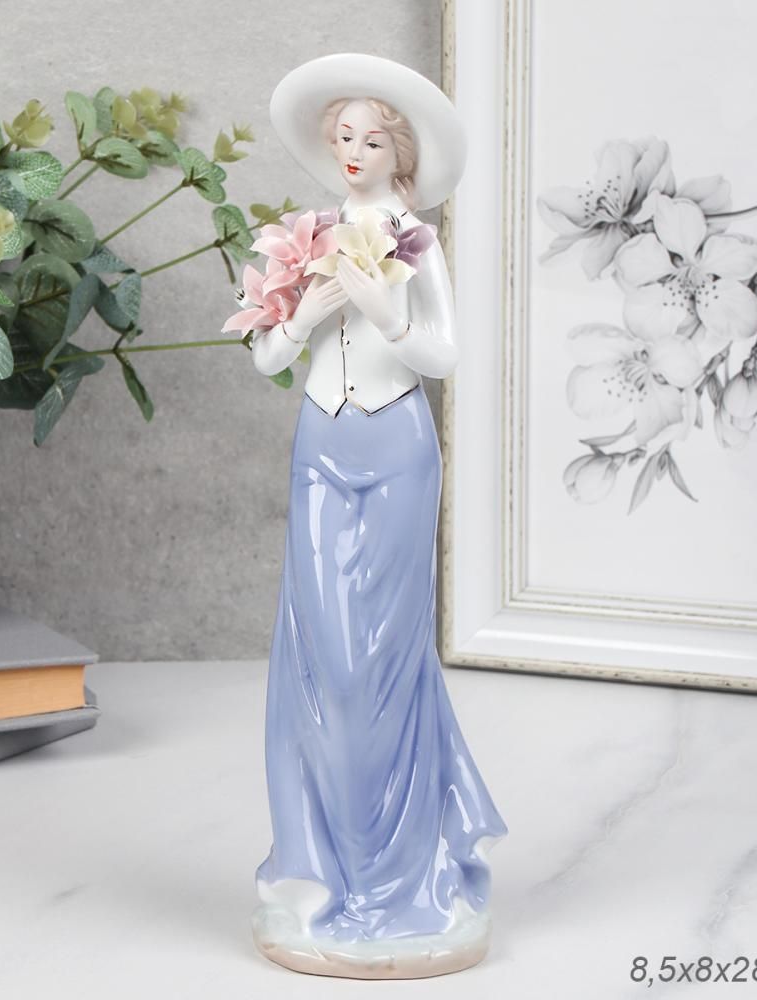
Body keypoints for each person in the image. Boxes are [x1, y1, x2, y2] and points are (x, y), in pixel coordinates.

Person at [248, 53, 508, 980]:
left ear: (400, 152)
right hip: (321, 447)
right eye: (342, 136)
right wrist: (307, 308)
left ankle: (402, 876)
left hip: (397, 448)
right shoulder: (307, 236)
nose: (352, 151)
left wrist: (382, 312)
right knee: (326, 653)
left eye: (370, 138)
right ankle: (324, 868)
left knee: (386, 658)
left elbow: (443, 355)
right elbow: (266, 357)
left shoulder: (417, 242)